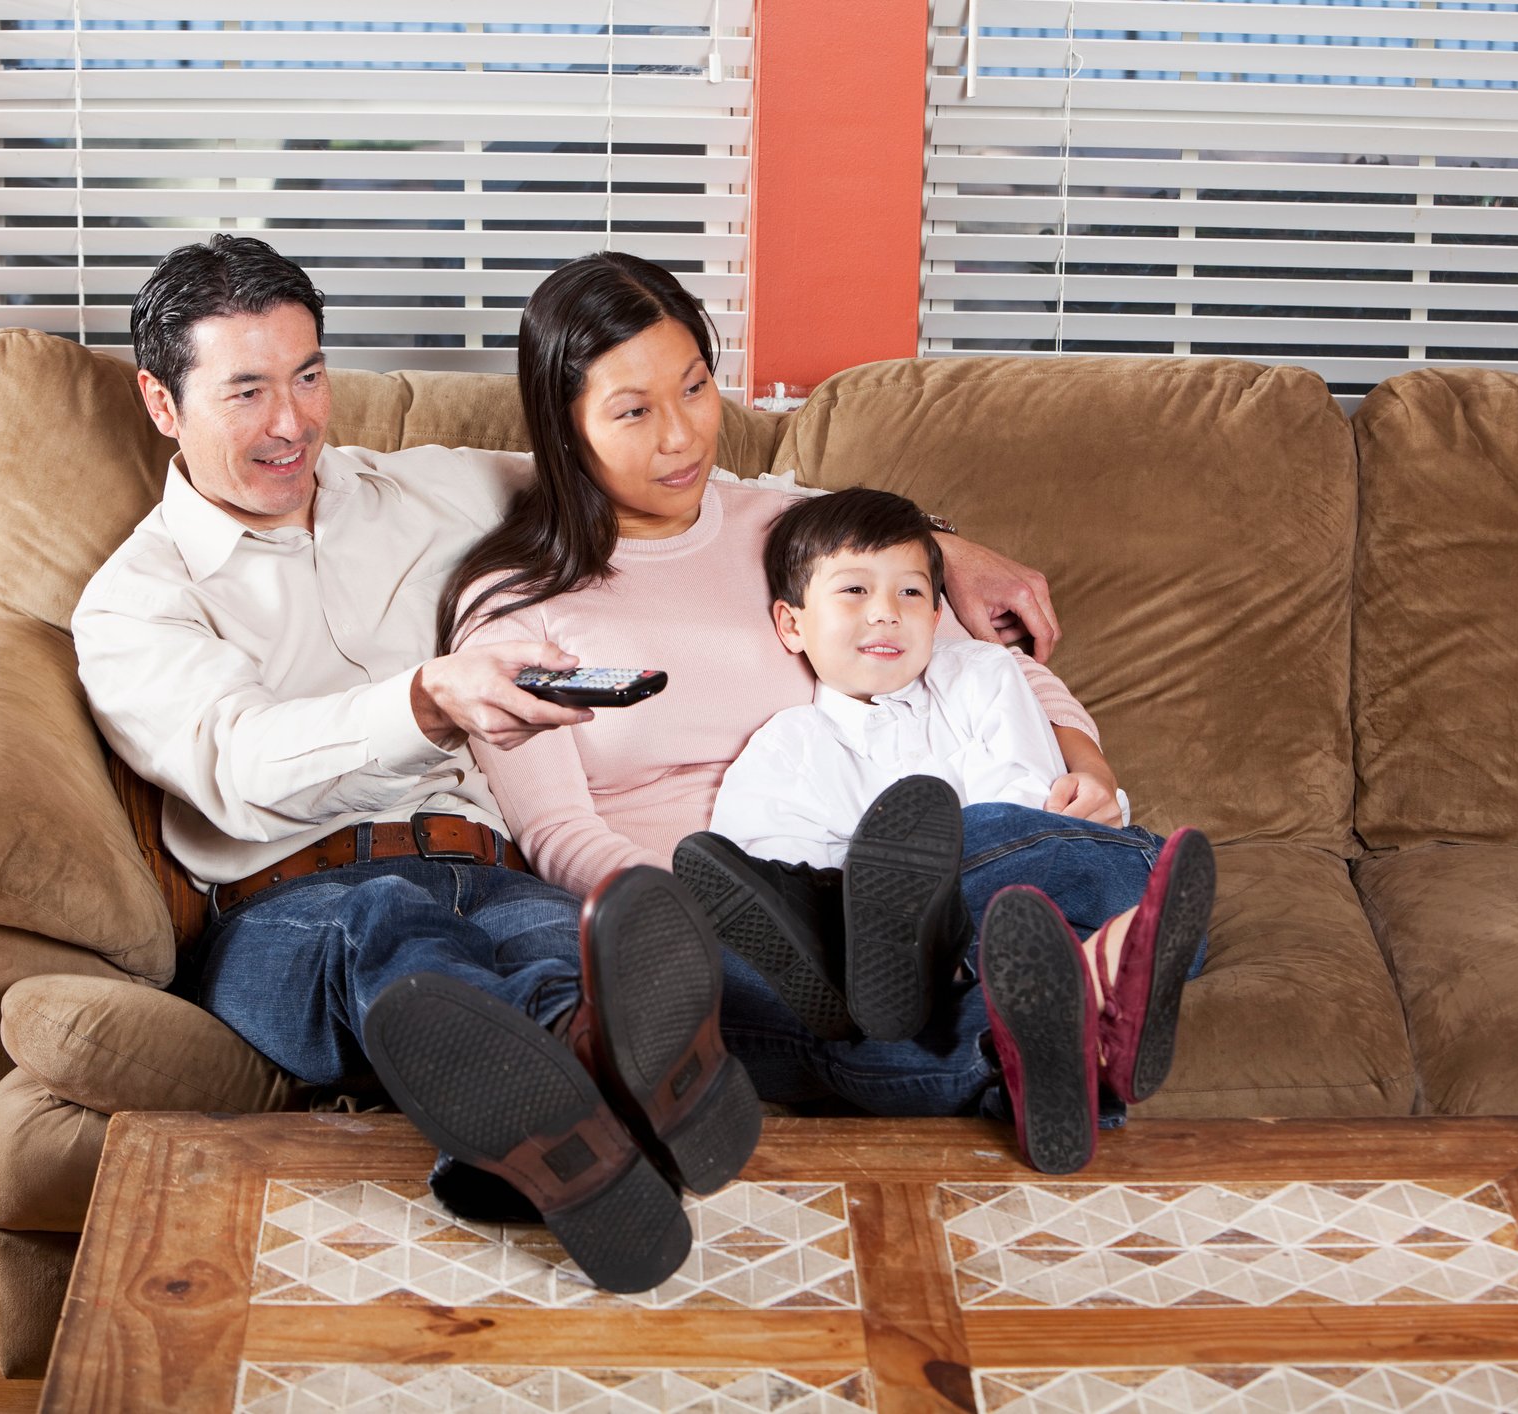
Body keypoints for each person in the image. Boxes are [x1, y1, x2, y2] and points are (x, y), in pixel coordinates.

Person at [71, 236, 1071, 1283]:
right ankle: (575, 1114)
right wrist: (424, 698)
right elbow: (240, 763)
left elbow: (685, 475)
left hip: (495, 869)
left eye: (308, 375)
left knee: (579, 959)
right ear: (161, 402)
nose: (292, 422)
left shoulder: (423, 491)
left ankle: (573, 1122)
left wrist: (937, 544)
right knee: (391, 935)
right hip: (290, 901)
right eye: (247, 391)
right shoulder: (138, 600)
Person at [445, 251, 1213, 1174]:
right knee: (862, 1008)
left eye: (694, 389)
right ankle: (1063, 1022)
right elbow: (557, 831)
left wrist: (1085, 766)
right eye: (633, 412)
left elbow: (981, 670)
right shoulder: (515, 608)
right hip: (717, 911)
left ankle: (989, 961)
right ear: (563, 429)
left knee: (1096, 860)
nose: (683, 437)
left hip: (893, 868)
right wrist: (684, 915)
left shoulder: (786, 528)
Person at [692, 486, 1211, 1124]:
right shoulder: (785, 749)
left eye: (910, 593)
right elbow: (773, 906)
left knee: (983, 831)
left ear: (938, 617)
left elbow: (1027, 809)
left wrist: (898, 901)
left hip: (1085, 884)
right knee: (907, 1017)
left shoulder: (982, 676)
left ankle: (922, 930)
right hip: (1008, 962)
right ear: (791, 624)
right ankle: (1068, 1059)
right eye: (854, 591)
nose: (885, 614)